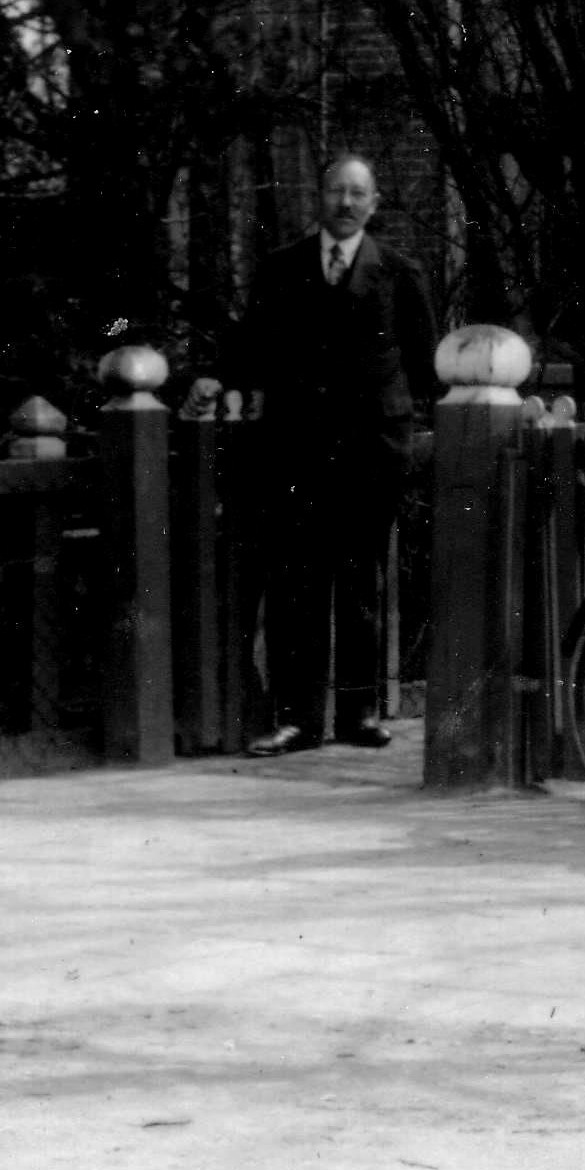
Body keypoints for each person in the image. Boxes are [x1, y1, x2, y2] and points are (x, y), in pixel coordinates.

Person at [221, 154, 440, 757]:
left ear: (374, 204)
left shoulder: (399, 273)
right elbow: (254, 351)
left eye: (358, 194)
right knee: (298, 584)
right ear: (319, 197)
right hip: (297, 450)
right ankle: (297, 720)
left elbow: (424, 367)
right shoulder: (280, 268)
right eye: (336, 191)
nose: (346, 203)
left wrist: (399, 431)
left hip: (371, 450)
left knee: (362, 580)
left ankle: (360, 713)